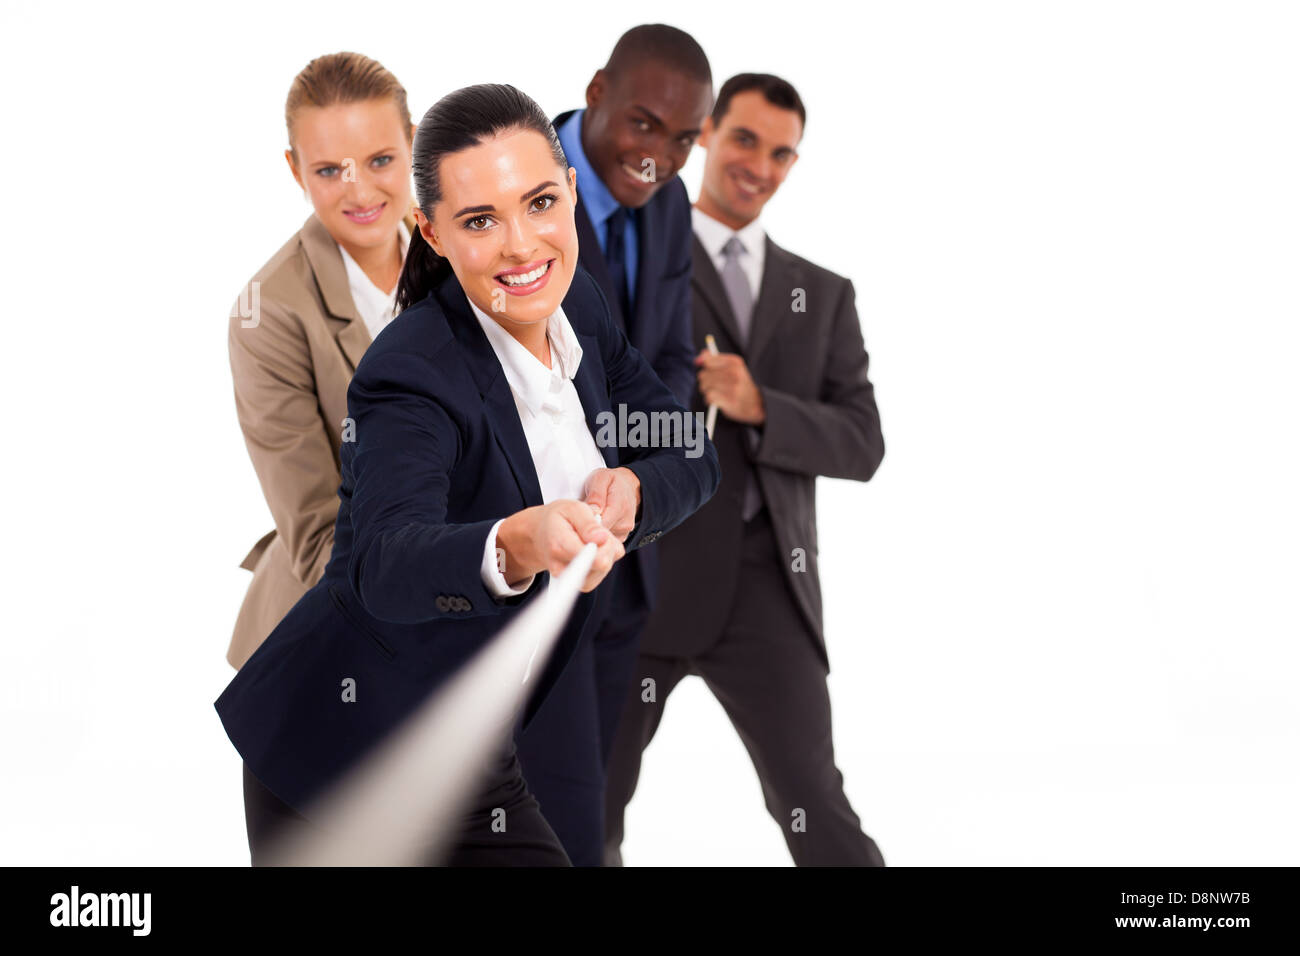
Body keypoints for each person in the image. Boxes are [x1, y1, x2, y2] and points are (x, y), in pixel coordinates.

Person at [215, 82, 720, 866]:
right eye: (481, 220)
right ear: (434, 233)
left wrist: (636, 491)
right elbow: (383, 561)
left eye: (542, 203)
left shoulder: (578, 305)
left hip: (476, 745)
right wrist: (515, 544)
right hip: (344, 751)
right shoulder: (412, 371)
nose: (523, 245)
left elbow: (688, 447)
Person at [603, 74, 888, 866]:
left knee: (814, 804)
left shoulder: (823, 295)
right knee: (587, 802)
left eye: (782, 153)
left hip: (767, 583)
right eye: (745, 140)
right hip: (642, 569)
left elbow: (863, 442)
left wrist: (763, 405)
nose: (759, 165)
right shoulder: (633, 258)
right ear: (705, 138)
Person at [515, 22, 714, 868]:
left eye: (682, 140)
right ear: (596, 92)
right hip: (530, 562)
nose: (658, 157)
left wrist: (643, 471)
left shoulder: (667, 204)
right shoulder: (515, 191)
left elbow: (669, 354)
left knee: (594, 812)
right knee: (523, 808)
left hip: (626, 562)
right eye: (642, 123)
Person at [226, 51, 418, 670]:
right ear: (294, 169)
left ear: (413, 143)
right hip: (324, 639)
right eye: (330, 169)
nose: (360, 189)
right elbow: (316, 538)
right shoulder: (268, 311)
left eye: (381, 159)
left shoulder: (463, 260)